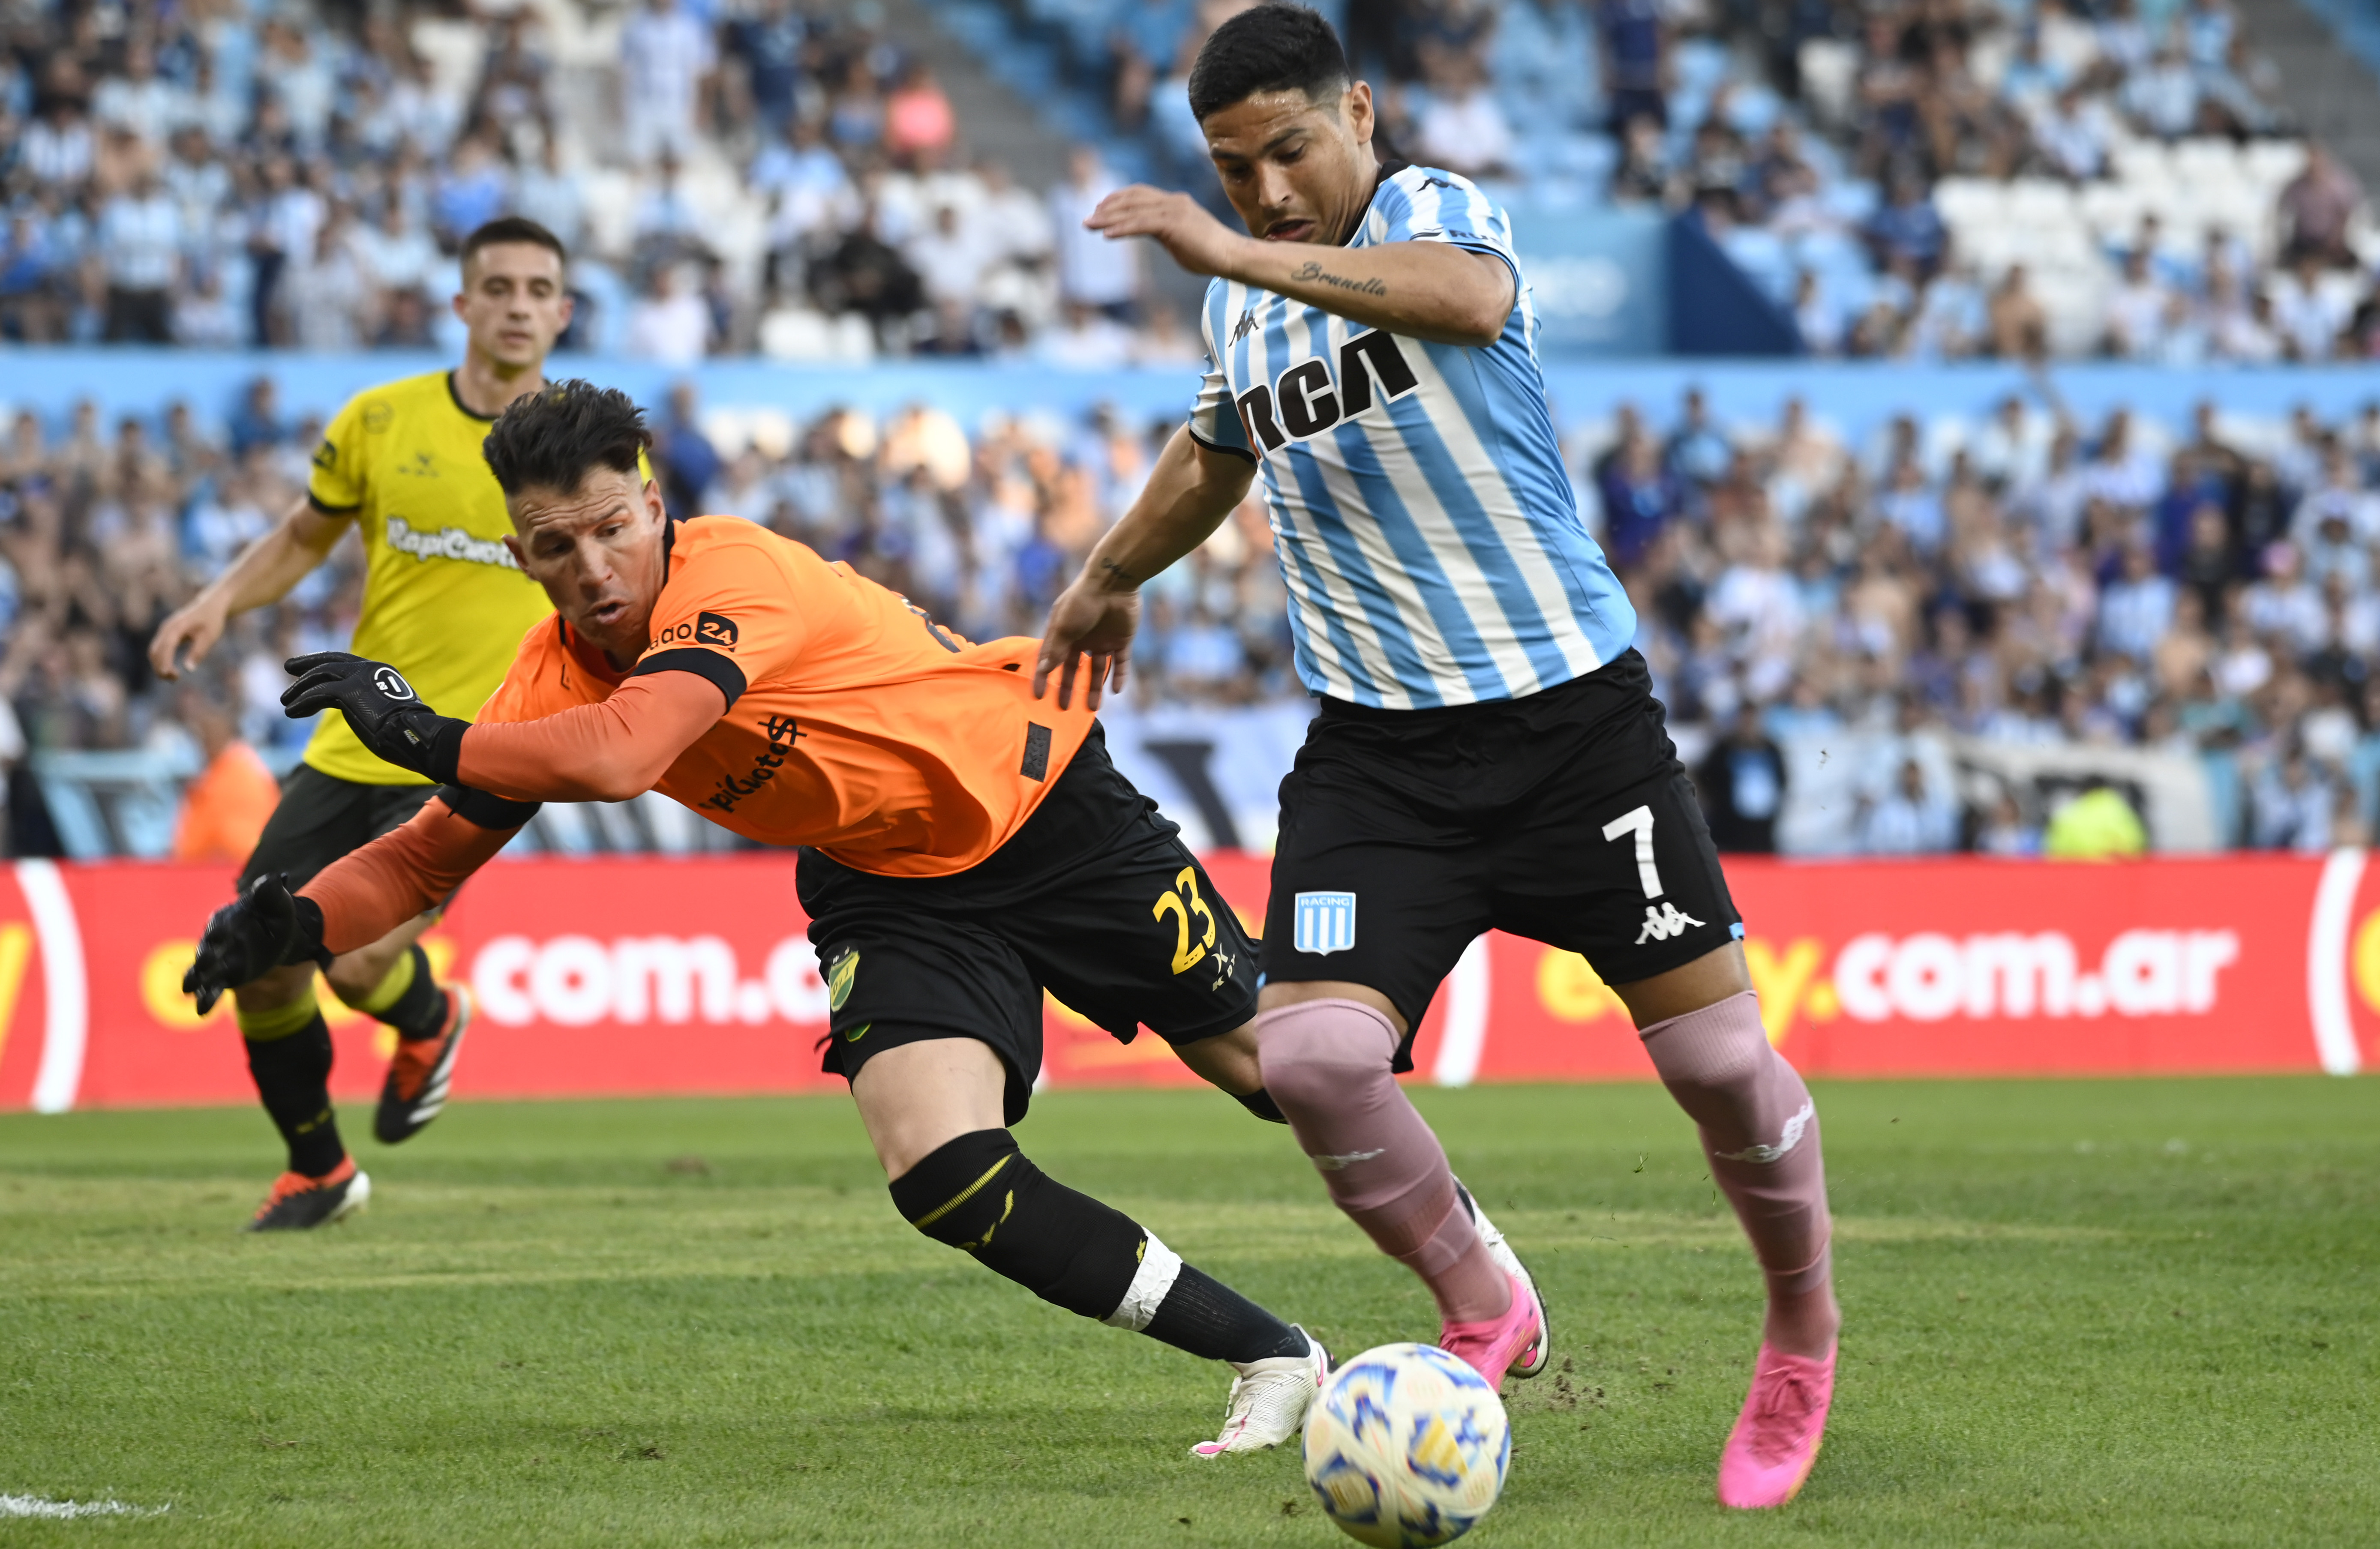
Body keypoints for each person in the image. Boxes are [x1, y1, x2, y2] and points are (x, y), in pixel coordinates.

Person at [182, 382, 1331, 1458]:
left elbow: (629, 754)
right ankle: (1272, 1353)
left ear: (655, 506)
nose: (593, 568)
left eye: (612, 529)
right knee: (943, 1174)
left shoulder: (733, 573)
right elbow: (427, 858)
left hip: (1032, 797)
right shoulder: (548, 676)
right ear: (519, 556)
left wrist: (426, 735)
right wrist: (293, 926)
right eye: (555, 548)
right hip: (883, 874)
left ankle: (1480, 1283)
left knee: (1287, 1078)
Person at [1034, 4, 1839, 1510]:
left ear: (1359, 112)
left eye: (1288, 150)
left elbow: (1457, 304)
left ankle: (1800, 1327)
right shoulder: (1245, 309)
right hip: (1378, 763)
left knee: (1725, 1063)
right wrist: (1107, 574)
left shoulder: (1436, 212)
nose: (1264, 190)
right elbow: (1217, 447)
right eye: (1231, 168)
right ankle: (1484, 1295)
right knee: (1314, 1058)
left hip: (1572, 732)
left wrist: (1234, 253)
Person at [147, 218, 600, 1231]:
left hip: (474, 752)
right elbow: (304, 532)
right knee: (257, 947)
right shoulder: (381, 421)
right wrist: (221, 600)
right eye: (499, 286)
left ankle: (429, 1016)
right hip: (348, 742)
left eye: (539, 288)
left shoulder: (588, 449)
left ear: (563, 312)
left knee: (353, 962)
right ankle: (320, 1168)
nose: (519, 304)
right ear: (462, 305)